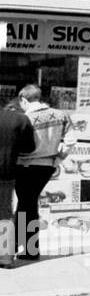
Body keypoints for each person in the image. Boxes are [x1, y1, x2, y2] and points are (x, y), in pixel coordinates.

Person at [14, 85, 73, 261]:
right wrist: (58, 159)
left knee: (26, 203)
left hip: (25, 165)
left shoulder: (24, 118)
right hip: (47, 166)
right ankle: (29, 249)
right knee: (28, 203)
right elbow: (70, 140)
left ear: (24, 100)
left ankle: (19, 245)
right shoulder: (61, 115)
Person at [0, 100, 37, 268]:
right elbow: (29, 148)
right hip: (5, 172)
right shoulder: (20, 119)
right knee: (5, 214)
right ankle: (5, 258)